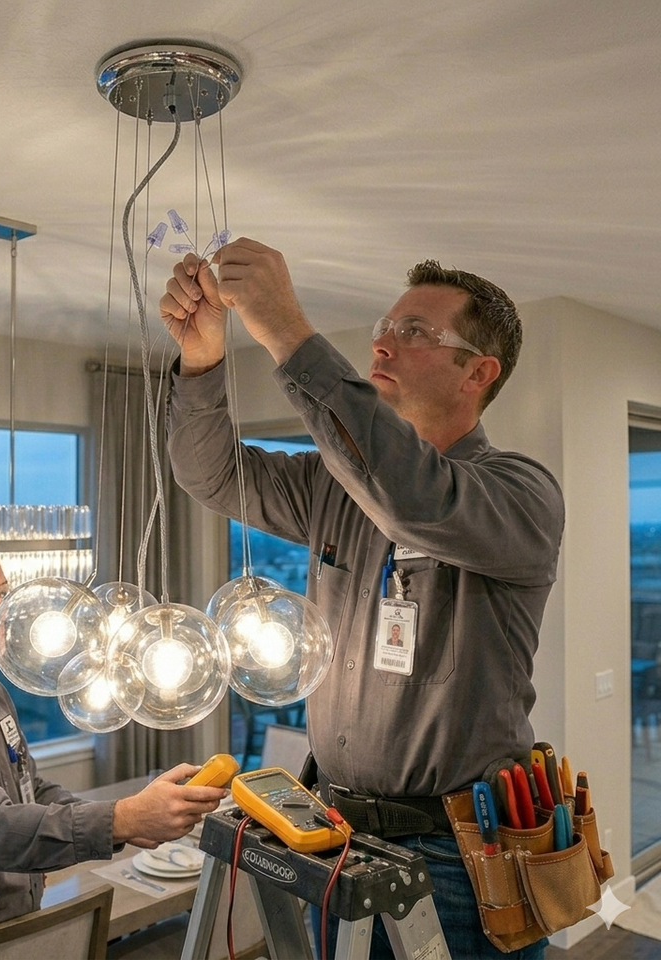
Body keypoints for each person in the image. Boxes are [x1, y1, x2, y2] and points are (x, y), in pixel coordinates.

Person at [160, 238, 564, 959]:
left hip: (459, 852)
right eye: (385, 324)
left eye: (414, 331)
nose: (383, 340)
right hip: (338, 833)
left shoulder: (517, 493)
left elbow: (413, 497)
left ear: (479, 371)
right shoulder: (333, 486)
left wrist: (288, 331)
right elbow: (210, 474)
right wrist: (202, 361)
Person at [0, 524, 226, 960]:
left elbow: (28, 789)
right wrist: (121, 819)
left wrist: (129, 818)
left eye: (1, 593)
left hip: (14, 937)